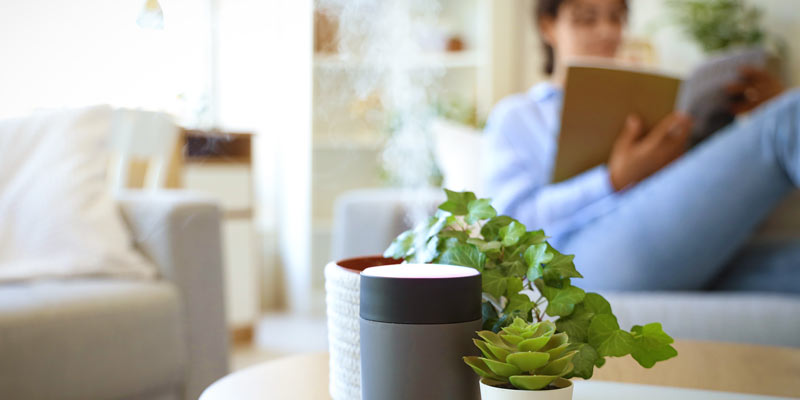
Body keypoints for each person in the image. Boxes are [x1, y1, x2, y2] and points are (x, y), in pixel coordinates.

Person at [482, 0, 800, 293]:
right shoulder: (519, 115)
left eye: (616, 18)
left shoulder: (648, 101)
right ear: (548, 26)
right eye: (586, 19)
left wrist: (756, 113)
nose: (607, 31)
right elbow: (510, 224)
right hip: (577, 259)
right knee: (790, 116)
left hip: (662, 243)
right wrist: (612, 180)